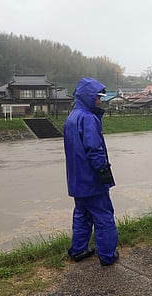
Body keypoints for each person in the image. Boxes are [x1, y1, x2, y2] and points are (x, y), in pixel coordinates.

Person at [63, 77, 119, 266]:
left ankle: (78, 250)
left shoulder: (71, 117)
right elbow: (94, 149)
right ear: (88, 96)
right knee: (103, 216)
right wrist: (103, 171)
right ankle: (107, 255)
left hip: (76, 179)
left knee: (82, 214)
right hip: (92, 179)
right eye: (98, 97)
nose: (100, 100)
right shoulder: (88, 118)